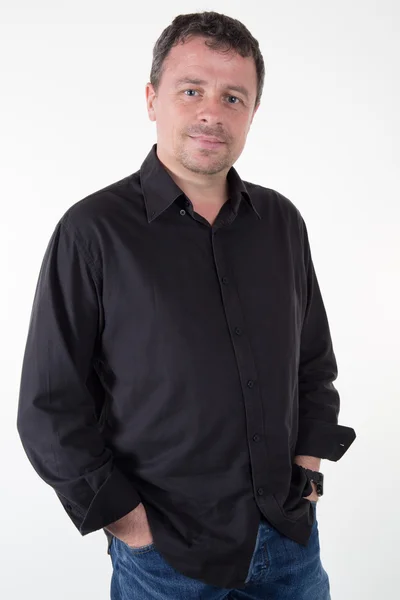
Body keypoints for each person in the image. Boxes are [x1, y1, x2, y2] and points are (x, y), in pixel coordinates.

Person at [16, 10, 356, 600]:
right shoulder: (92, 231)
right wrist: (130, 524)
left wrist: (308, 469)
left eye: (233, 97)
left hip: (288, 540)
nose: (211, 113)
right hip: (167, 557)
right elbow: (50, 406)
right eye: (191, 90)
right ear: (152, 99)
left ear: (253, 112)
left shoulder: (281, 222)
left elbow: (313, 361)